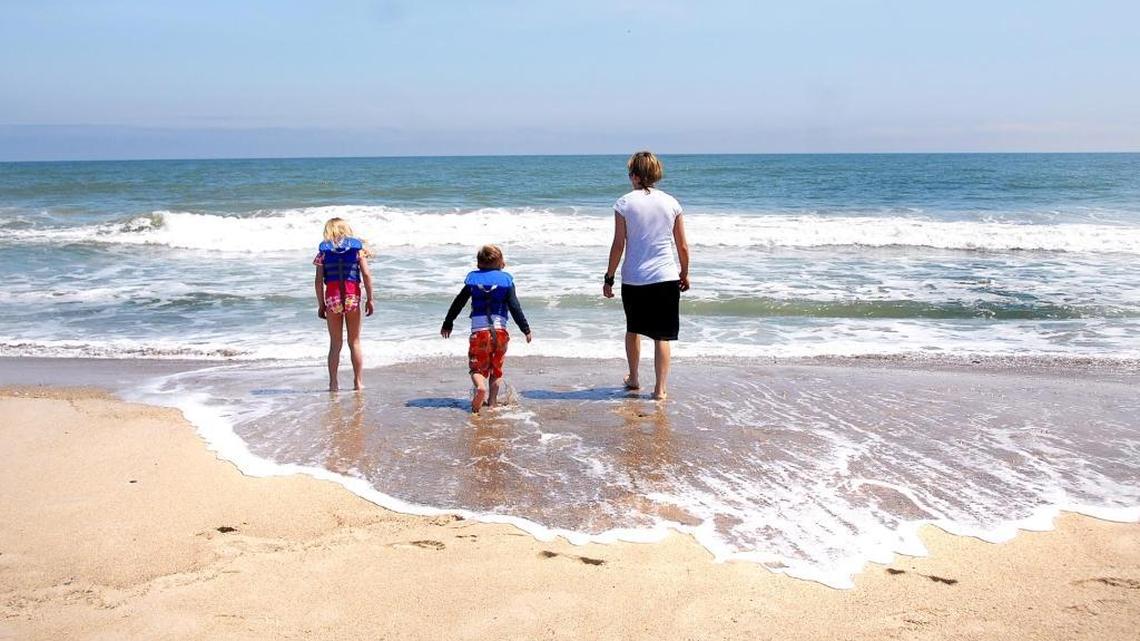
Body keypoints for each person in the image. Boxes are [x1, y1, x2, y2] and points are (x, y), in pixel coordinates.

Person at [603, 151, 690, 400]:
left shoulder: (624, 203)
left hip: (634, 278)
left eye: (630, 173)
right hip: (666, 276)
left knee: (633, 328)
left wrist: (609, 277)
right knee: (662, 335)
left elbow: (618, 245)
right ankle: (660, 389)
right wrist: (684, 273)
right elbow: (682, 246)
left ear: (636, 176)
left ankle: (634, 378)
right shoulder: (672, 203)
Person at [441, 245, 533, 413]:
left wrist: (448, 322)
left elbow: (458, 303)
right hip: (500, 333)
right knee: (496, 370)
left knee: (476, 369)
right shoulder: (507, 282)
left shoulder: (472, 283)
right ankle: (492, 402)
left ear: (478, 264)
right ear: (501, 263)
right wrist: (525, 329)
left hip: (479, 333)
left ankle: (480, 387)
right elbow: (515, 307)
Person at [313, 217, 374, 391]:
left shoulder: (323, 253)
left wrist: (321, 304)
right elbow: (366, 275)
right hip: (352, 297)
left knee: (335, 344)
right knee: (354, 342)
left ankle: (333, 384)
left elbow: (318, 281)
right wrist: (370, 299)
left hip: (332, 299)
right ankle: (358, 382)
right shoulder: (357, 250)